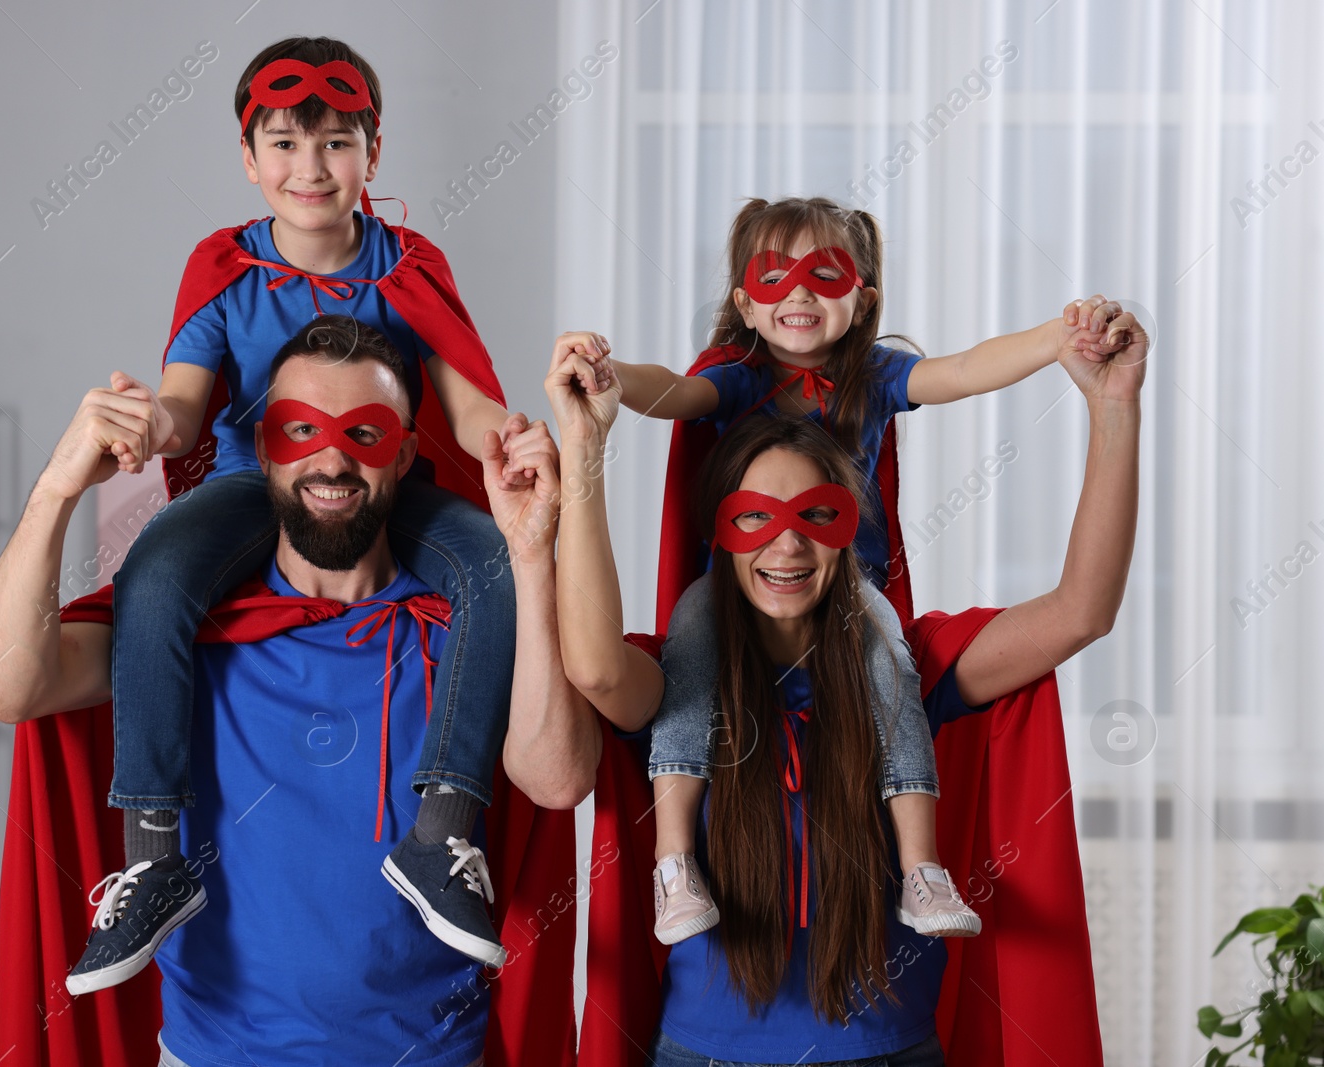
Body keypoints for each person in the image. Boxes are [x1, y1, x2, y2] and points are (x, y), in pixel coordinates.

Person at [0, 318, 598, 1066]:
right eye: (300, 429)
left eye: (363, 434)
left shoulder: (462, 635)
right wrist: (57, 486)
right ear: (263, 449)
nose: (330, 458)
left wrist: (528, 556)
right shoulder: (181, 634)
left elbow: (559, 779)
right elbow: (1, 688)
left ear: (403, 454)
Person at [82, 35, 562, 988]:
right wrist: (146, 428)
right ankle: (152, 849)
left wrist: (508, 442)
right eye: (286, 145)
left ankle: (441, 831)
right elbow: (187, 404)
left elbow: (463, 401)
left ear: (372, 153)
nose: (311, 167)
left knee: (491, 569)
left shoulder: (408, 260)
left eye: (336, 142)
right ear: (250, 158)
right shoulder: (222, 265)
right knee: (156, 573)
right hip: (243, 481)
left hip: (382, 488)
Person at [548, 309, 1145, 1064]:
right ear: (719, 535)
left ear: (851, 528)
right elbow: (596, 668)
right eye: (756, 518)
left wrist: (1113, 405)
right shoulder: (679, 683)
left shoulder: (910, 665)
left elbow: (1081, 610)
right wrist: (585, 444)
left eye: (816, 517)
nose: (788, 543)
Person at [576, 195, 1133, 945]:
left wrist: (1057, 339)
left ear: (862, 295)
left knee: (891, 664)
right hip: (723, 598)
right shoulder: (736, 377)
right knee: (692, 649)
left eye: (823, 274)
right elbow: (674, 391)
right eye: (776, 277)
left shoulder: (873, 377)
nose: (800, 292)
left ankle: (920, 868)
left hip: (856, 594)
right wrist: (608, 379)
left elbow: (965, 370)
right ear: (744, 301)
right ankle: (674, 863)